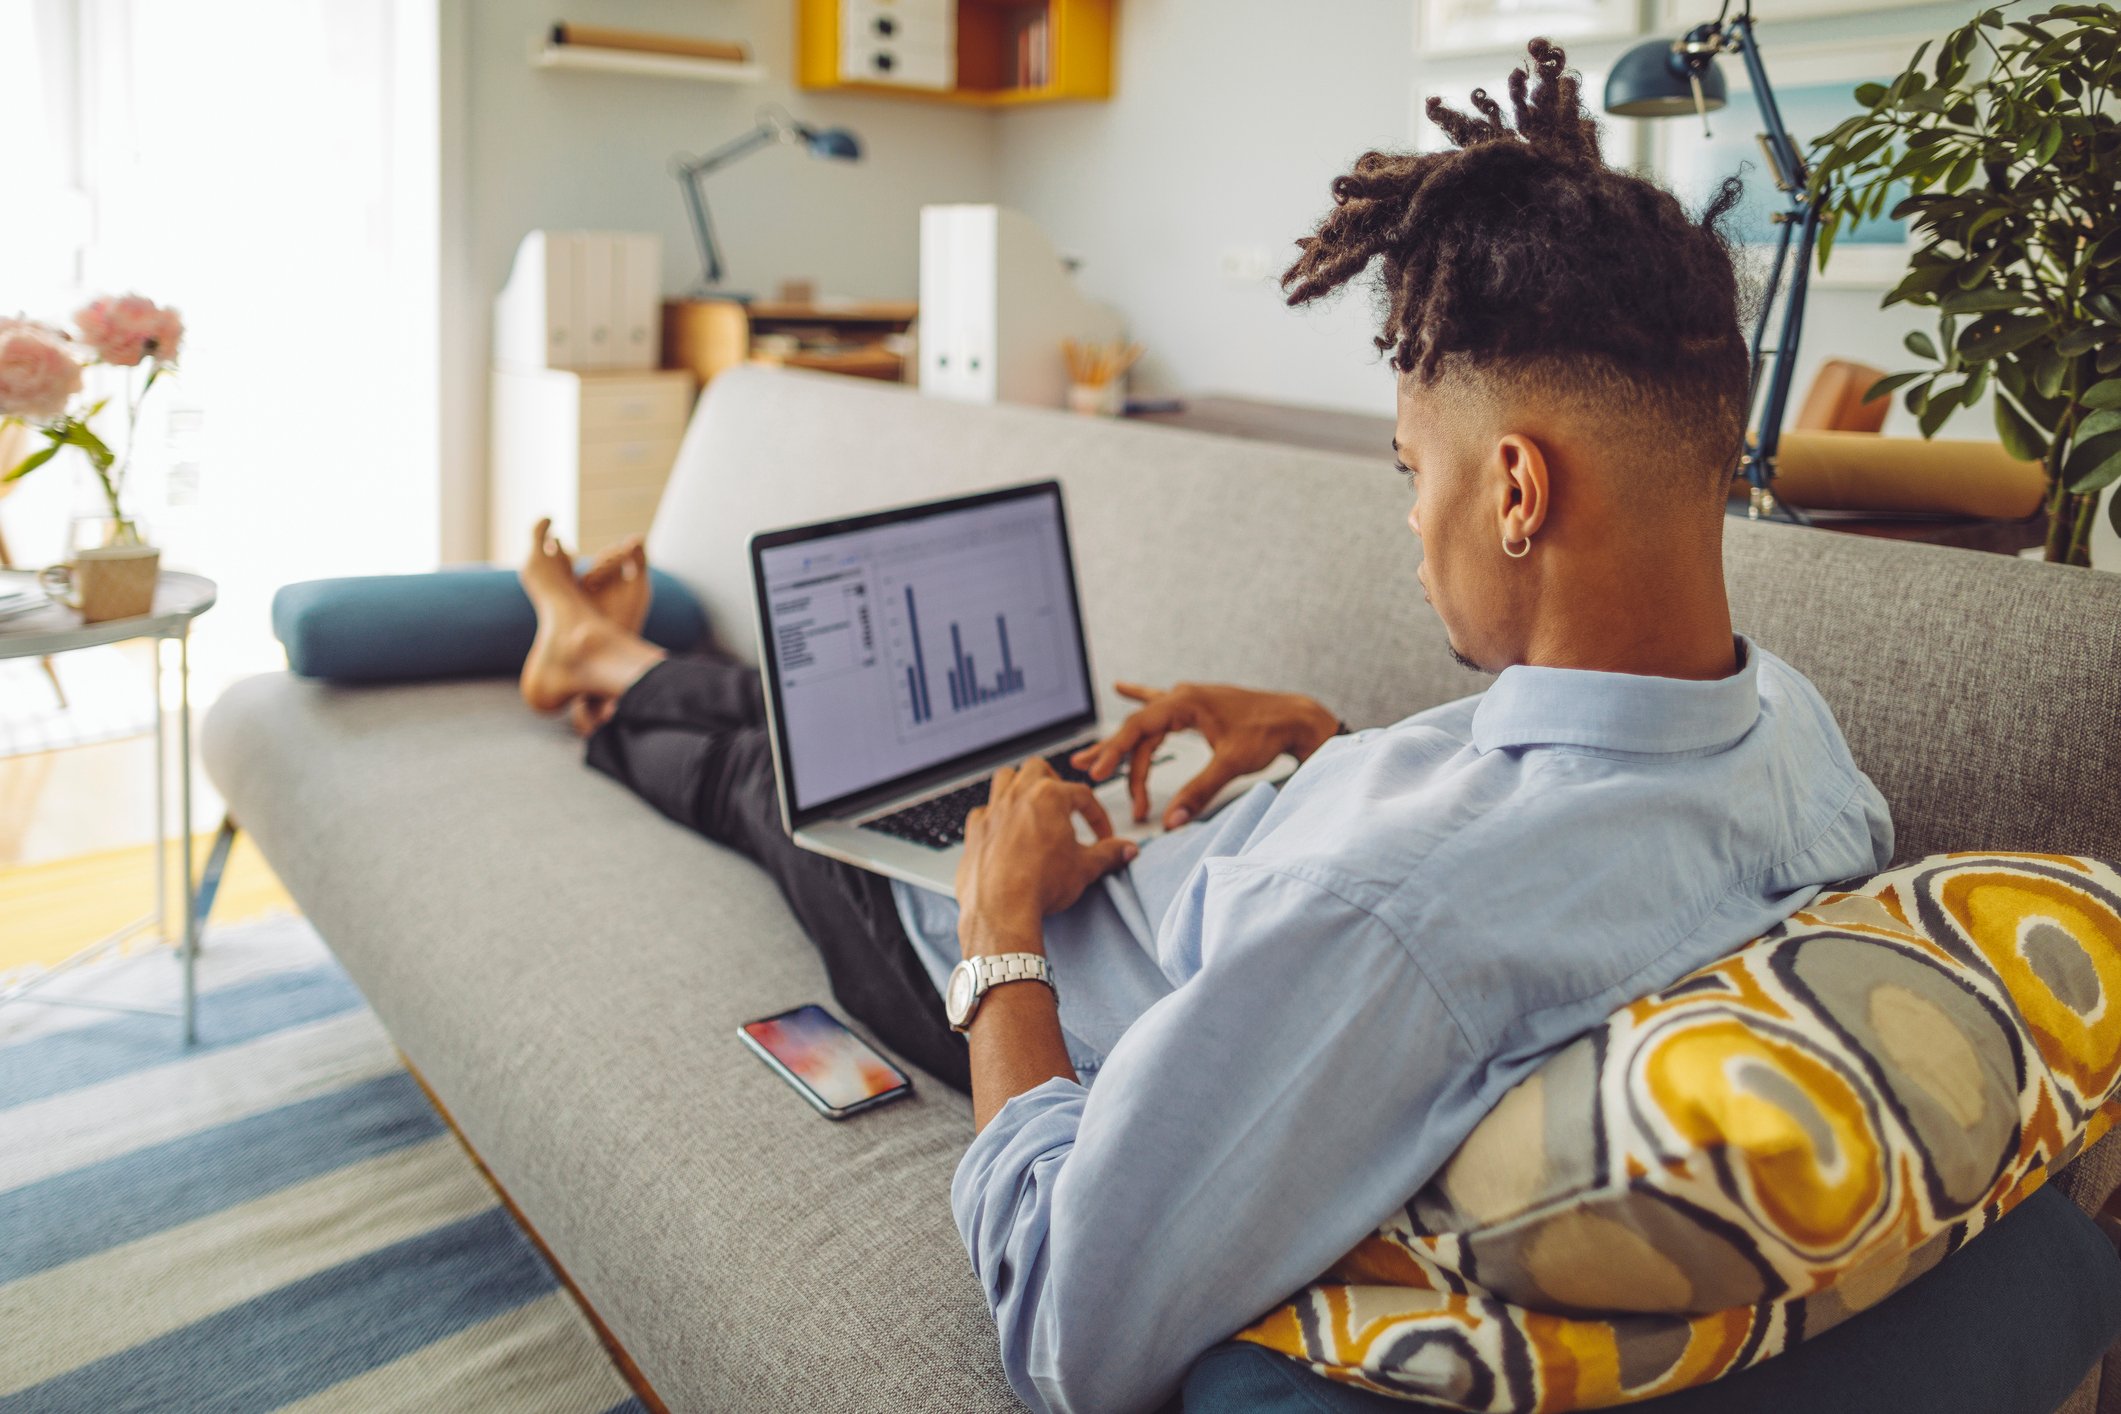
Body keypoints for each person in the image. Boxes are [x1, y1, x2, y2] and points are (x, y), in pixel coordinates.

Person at [515, 39, 1893, 1414]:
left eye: (1414, 473)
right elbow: (1517, 832)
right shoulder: (1790, 737)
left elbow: (1066, 1325)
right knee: (870, 748)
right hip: (1203, 856)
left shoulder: (1386, 924)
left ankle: (600, 660)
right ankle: (625, 653)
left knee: (778, 780)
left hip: (1041, 949)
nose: (1412, 523)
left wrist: (998, 933)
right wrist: (1330, 750)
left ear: (1517, 492)